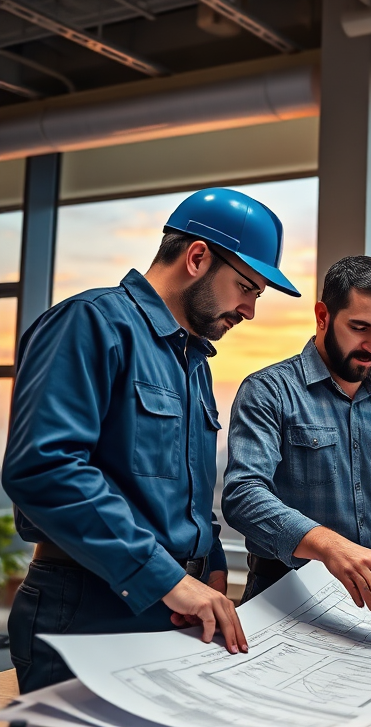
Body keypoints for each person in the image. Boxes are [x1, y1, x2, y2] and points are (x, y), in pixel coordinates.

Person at [2, 187, 301, 692]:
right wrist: (165, 577)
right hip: (87, 609)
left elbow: (181, 492)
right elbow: (45, 468)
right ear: (198, 257)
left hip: (172, 611)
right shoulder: (91, 324)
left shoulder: (194, 365)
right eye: (246, 286)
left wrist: (207, 566)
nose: (250, 309)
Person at [222, 256, 371, 611]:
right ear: (323, 316)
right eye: (359, 327)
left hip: (366, 602)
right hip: (280, 594)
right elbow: (243, 496)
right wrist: (331, 547)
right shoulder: (268, 391)